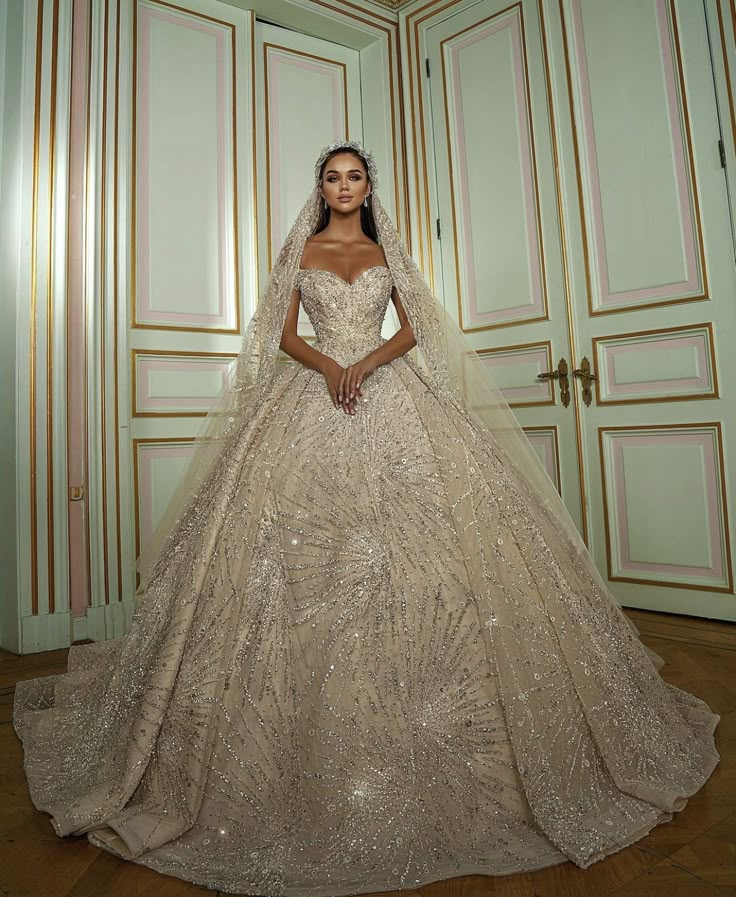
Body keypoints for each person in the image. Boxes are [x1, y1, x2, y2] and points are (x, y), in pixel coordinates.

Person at [13, 139, 720, 896]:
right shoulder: (304, 247)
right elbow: (283, 333)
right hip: (314, 391)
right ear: (319, 188)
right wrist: (331, 366)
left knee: (435, 551)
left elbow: (415, 325)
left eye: (355, 177)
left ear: (368, 187)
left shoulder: (385, 250)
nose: (343, 186)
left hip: (389, 388)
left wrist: (368, 362)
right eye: (332, 176)